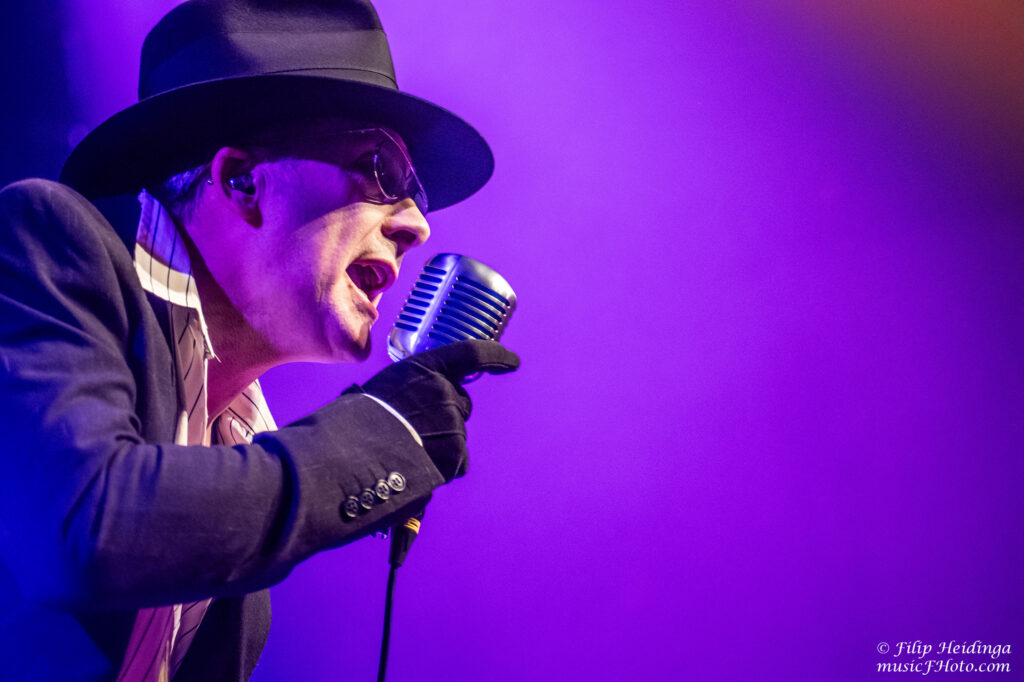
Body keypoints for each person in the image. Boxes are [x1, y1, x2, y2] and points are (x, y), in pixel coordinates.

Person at [0, 1, 519, 680]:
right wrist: (378, 433)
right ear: (242, 181)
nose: (418, 225)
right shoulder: (48, 241)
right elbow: (83, 533)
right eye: (382, 170)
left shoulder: (239, 467)